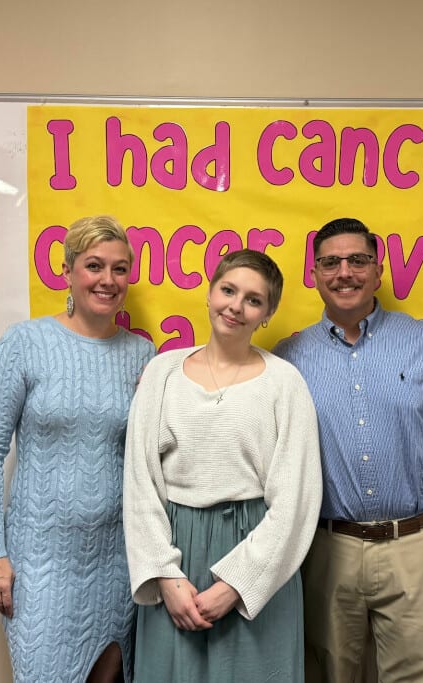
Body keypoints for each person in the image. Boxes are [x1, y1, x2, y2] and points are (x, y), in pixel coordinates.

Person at [0, 215, 156, 683]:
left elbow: (149, 457)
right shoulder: (24, 343)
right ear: (69, 270)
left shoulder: (142, 355)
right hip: (39, 563)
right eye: (95, 266)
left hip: (116, 561)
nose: (108, 280)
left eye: (119, 269)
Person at [273, 218, 423, 683]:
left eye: (358, 260)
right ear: (313, 274)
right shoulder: (288, 358)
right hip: (327, 548)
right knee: (331, 675)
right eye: (330, 262)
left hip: (414, 546)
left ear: (378, 271)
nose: (344, 273)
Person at [123, 248, 322, 683]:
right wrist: (165, 577)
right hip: (175, 554)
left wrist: (237, 584)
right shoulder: (161, 373)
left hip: (259, 556)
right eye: (228, 290)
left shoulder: (285, 383)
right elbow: (139, 485)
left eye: (253, 299)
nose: (236, 306)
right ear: (210, 292)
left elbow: (296, 500)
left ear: (267, 313)